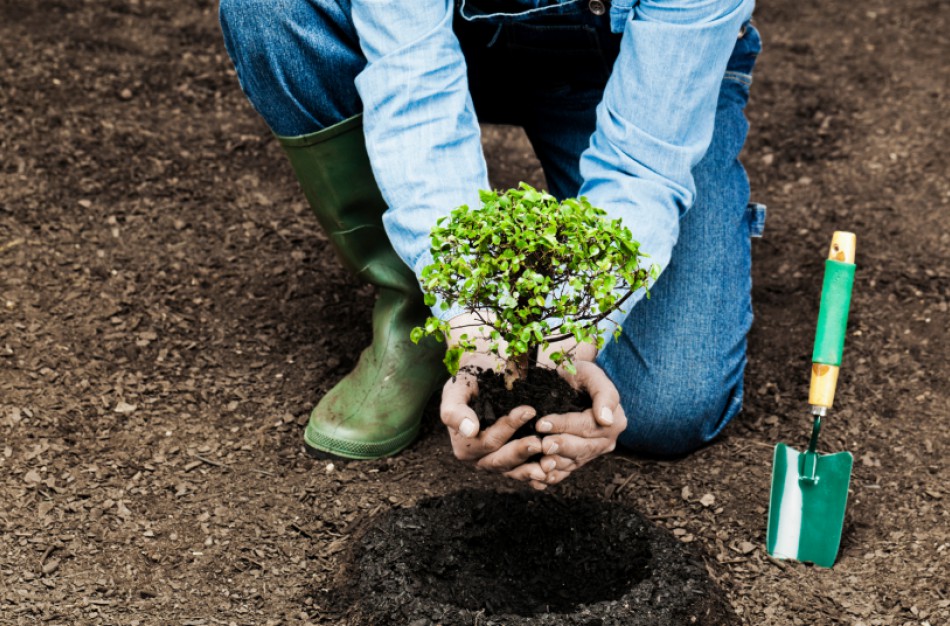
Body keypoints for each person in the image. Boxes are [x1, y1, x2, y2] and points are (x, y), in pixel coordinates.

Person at [218, 0, 764, 489]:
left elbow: (641, 166)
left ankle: (513, 301)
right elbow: (415, 93)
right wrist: (471, 316)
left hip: (631, 65)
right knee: (267, 7)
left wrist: (572, 333)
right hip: (453, 40)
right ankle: (417, 308)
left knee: (666, 407)